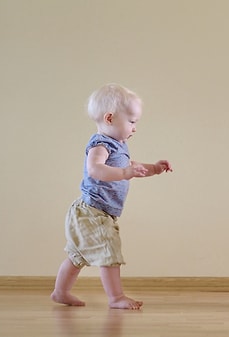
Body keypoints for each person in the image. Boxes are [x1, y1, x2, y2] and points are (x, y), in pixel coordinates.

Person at [51, 83, 173, 310]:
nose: (135, 128)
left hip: (93, 212)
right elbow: (95, 169)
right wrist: (125, 173)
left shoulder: (120, 145)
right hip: (92, 212)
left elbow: (132, 166)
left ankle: (60, 292)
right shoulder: (100, 145)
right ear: (109, 118)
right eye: (132, 121)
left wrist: (154, 168)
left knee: (78, 256)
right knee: (110, 252)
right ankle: (115, 297)